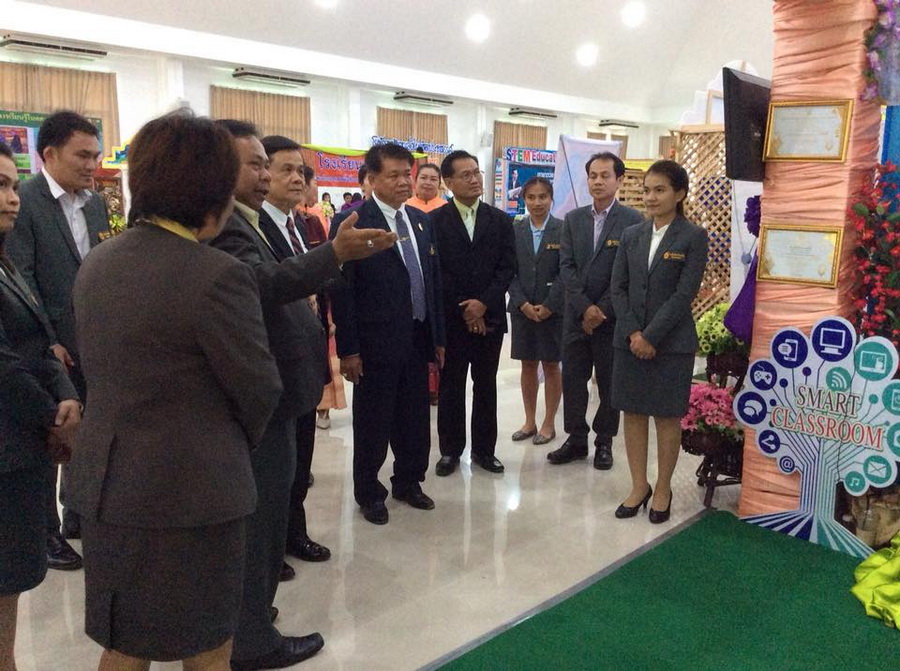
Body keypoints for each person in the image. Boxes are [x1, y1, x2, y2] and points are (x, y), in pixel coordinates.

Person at [66, 112, 284, 670]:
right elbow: (259, 389)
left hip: (109, 487)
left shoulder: (98, 261)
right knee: (208, 646)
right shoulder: (217, 274)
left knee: (124, 641)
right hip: (195, 495)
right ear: (213, 190)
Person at [209, 120, 394, 670]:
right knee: (260, 519)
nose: (269, 176)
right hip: (263, 397)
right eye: (258, 164)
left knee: (272, 511)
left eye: (283, 167)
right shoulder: (227, 228)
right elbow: (265, 286)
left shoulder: (257, 222)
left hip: (286, 389)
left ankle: (251, 617)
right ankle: (250, 639)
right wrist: (334, 254)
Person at [6, 110, 110, 570]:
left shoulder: (95, 203)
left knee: (87, 428)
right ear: (49, 155)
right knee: (53, 429)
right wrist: (49, 341)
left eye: (96, 155)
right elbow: (23, 276)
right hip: (47, 345)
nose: (92, 165)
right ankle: (46, 531)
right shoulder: (24, 201)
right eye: (82, 155)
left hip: (94, 339)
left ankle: (76, 512)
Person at [330, 142, 445, 525]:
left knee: (414, 418)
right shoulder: (352, 223)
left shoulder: (419, 220)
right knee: (373, 423)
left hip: (417, 337)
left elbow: (431, 281)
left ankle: (408, 481)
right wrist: (349, 349)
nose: (403, 182)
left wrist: (438, 337)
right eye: (393, 175)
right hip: (375, 344)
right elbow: (342, 290)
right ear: (371, 178)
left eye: (405, 174)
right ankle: (369, 493)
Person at [0, 141, 82, 671]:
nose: (13, 198)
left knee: (9, 583)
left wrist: (66, 392)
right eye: (1, 186)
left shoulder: (6, 264)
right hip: (8, 447)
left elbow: (38, 338)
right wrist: (54, 416)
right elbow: (4, 366)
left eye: (13, 185)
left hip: (22, 449)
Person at [610, 160, 708, 524]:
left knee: (667, 417)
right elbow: (618, 288)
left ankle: (663, 488)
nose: (651, 197)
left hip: (671, 344)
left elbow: (684, 294)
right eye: (647, 190)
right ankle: (639, 485)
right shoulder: (631, 234)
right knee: (633, 413)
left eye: (660, 190)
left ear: (679, 194)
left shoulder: (693, 237)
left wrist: (651, 336)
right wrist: (634, 333)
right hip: (629, 341)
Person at [255, 135, 331, 566]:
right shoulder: (255, 227)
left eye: (301, 170)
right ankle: (271, 547)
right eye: (286, 169)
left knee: (300, 461)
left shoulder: (296, 224)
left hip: (305, 361)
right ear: (262, 173)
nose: (297, 178)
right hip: (276, 362)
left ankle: (294, 533)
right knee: (275, 468)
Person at [552, 152, 643, 469]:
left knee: (609, 383)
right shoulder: (573, 219)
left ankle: (604, 441)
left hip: (611, 319)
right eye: (593, 175)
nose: (598, 181)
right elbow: (566, 267)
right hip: (575, 317)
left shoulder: (633, 221)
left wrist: (600, 310)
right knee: (573, 381)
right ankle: (576, 438)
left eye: (605, 175)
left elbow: (628, 274)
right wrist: (584, 308)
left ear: (620, 180)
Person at [432, 150, 516, 476]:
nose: (475, 179)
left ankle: (484, 450)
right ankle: (450, 451)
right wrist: (467, 308)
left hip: (490, 319)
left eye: (476, 172)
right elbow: (437, 272)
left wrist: (483, 303)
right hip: (452, 321)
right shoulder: (435, 222)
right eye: (465, 174)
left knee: (486, 386)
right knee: (451, 386)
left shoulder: (501, 220)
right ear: (449, 182)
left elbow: (507, 268)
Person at [507, 177, 564, 446]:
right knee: (528, 364)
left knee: (551, 365)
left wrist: (550, 305)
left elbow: (567, 271)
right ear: (524, 200)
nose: (537, 202)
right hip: (523, 311)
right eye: (531, 197)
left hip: (554, 311)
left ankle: (548, 423)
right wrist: (522, 303)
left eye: (543, 197)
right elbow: (508, 270)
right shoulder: (514, 229)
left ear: (551, 199)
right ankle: (529, 421)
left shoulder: (563, 230)